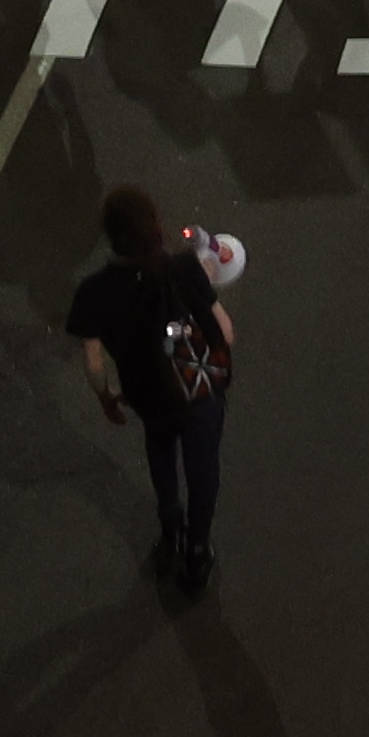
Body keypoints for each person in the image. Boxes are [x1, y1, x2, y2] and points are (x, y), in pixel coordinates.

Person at [65, 184, 236, 594]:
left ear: (109, 234)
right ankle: (197, 550)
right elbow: (225, 334)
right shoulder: (184, 270)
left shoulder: (94, 292)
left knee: (160, 452)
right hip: (198, 393)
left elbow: (94, 363)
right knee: (202, 469)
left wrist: (107, 397)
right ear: (155, 227)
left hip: (150, 395)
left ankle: (169, 529)